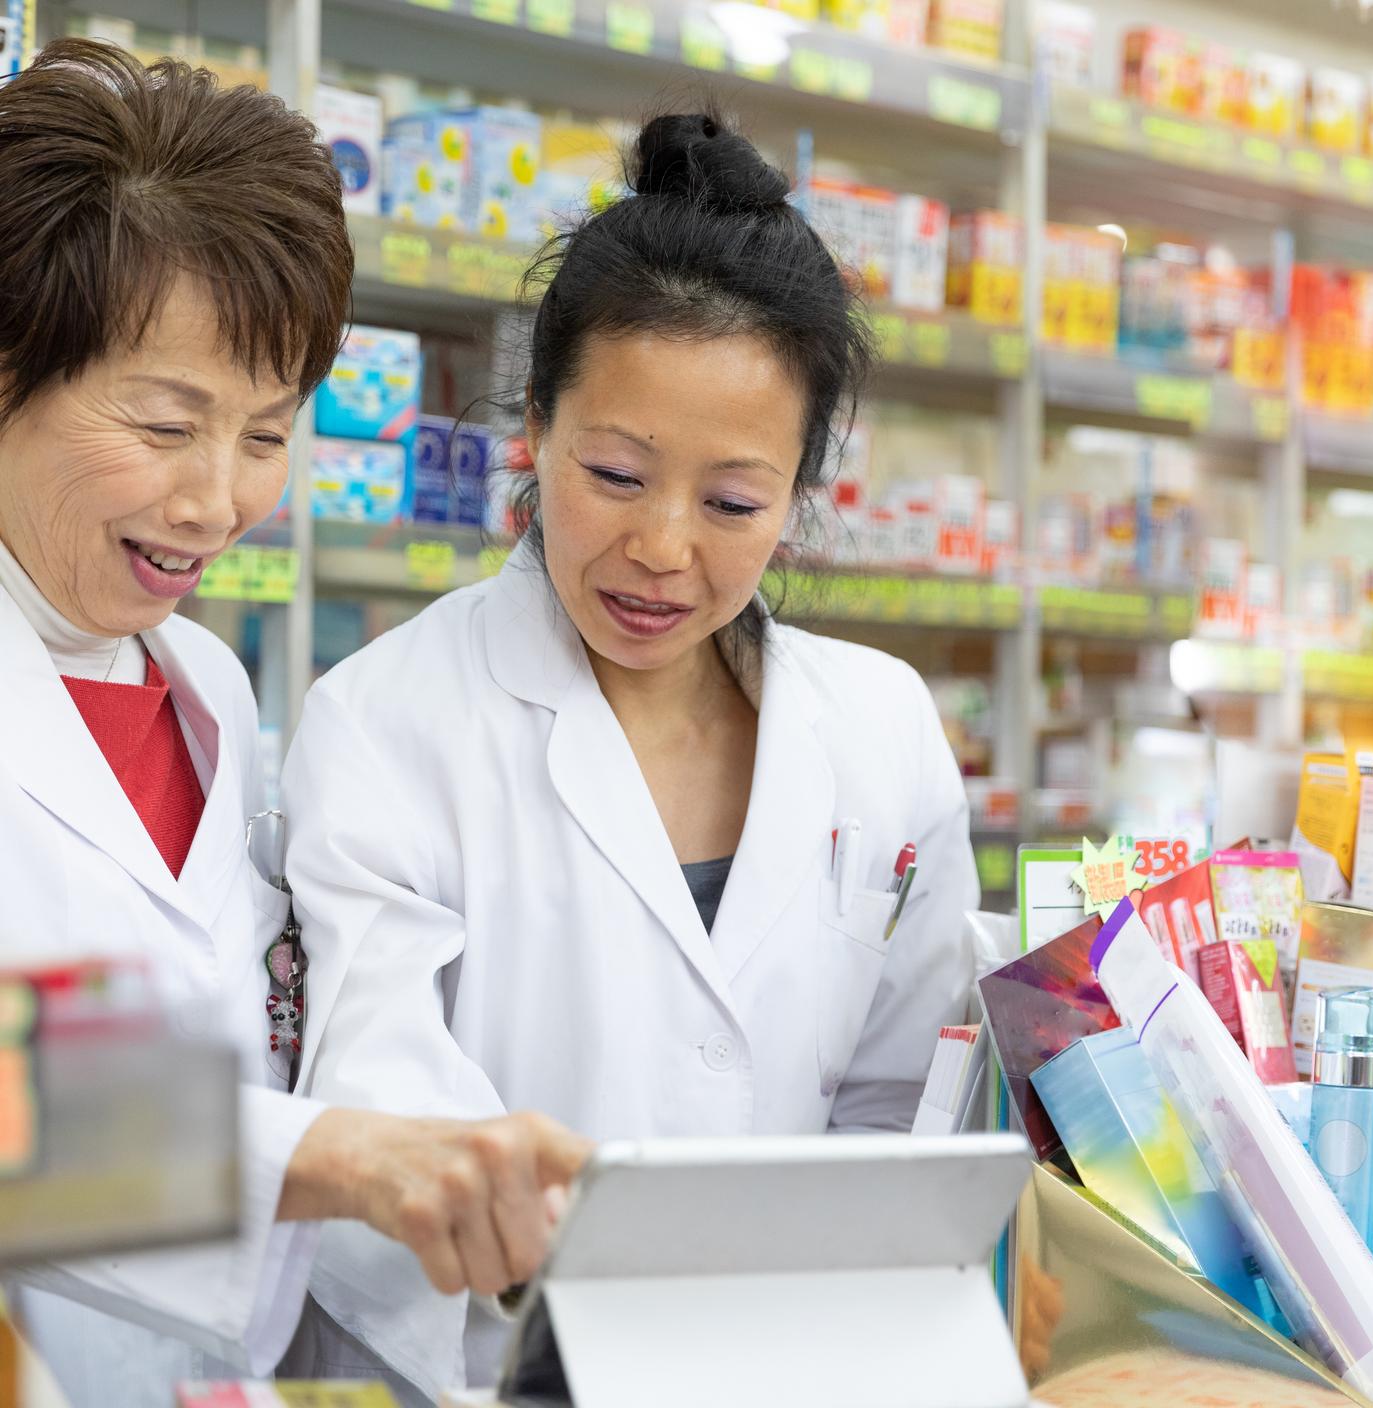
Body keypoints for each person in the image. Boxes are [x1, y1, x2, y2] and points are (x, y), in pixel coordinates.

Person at [281, 111, 980, 1398]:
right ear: (533, 426)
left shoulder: (880, 730)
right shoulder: (385, 724)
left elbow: (902, 1112)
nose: (664, 548)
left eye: (730, 502)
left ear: (799, 491)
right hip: (476, 1369)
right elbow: (386, 1119)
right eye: (613, 472)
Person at [0, 40, 590, 1408]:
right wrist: (321, 1156)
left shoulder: (212, 691)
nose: (216, 500)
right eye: (164, 425)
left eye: (266, 435)